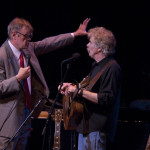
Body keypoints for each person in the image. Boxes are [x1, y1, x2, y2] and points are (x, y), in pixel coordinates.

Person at [0, 17, 90, 150]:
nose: (29, 40)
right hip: (9, 120)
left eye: (30, 36)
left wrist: (74, 34)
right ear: (14, 35)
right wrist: (17, 78)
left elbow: (49, 43)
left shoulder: (27, 48)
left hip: (26, 114)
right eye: (26, 36)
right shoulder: (2, 55)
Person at [60, 26, 121, 150]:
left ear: (99, 48)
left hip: (97, 128)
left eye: (90, 42)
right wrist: (71, 87)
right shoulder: (97, 66)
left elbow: (106, 98)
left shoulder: (112, 67)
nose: (87, 45)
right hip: (86, 126)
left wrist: (78, 91)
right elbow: (89, 91)